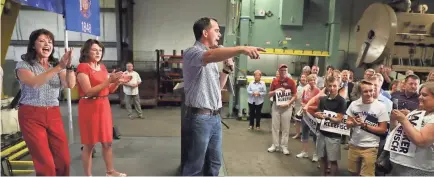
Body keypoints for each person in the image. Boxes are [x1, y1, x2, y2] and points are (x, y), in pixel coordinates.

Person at [181, 17, 265, 176]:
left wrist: (226, 70)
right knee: (195, 166)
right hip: (199, 118)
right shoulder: (192, 53)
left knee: (215, 163)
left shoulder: (212, 59)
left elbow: (217, 88)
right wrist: (242, 48)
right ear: (205, 33)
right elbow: (210, 55)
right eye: (217, 30)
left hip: (214, 118)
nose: (220, 35)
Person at [14, 29, 75, 176]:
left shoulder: (54, 65)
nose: (47, 44)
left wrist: (68, 67)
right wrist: (59, 67)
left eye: (50, 42)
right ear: (33, 45)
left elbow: (70, 84)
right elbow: (35, 83)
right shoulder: (23, 65)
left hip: (53, 113)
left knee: (64, 161)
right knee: (45, 163)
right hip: (31, 115)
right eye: (42, 41)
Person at [76, 39, 131, 176]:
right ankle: (88, 175)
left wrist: (118, 81)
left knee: (107, 142)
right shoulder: (83, 67)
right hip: (89, 107)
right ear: (87, 51)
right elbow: (88, 91)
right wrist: (109, 80)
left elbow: (109, 89)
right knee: (89, 144)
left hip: (103, 106)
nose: (98, 53)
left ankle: (110, 171)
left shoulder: (102, 68)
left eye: (100, 50)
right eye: (95, 50)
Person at [389, 82, 434, 175]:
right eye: (420, 94)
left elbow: (421, 141)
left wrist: (404, 120)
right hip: (399, 164)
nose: (420, 97)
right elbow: (397, 132)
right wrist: (394, 120)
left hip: (418, 168)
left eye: (424, 95)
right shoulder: (417, 112)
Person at [346, 80, 389, 176]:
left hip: (371, 146)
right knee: (353, 173)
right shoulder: (354, 104)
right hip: (354, 144)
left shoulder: (381, 107)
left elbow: (383, 129)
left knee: (367, 175)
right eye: (366, 91)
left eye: (371, 90)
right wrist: (353, 122)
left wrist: (365, 125)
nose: (369, 94)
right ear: (360, 92)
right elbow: (347, 123)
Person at [314, 76, 346, 176]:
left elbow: (339, 119)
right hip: (322, 132)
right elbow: (318, 111)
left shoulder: (341, 101)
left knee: (333, 160)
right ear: (326, 86)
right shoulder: (323, 100)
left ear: (339, 86)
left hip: (334, 135)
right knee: (322, 158)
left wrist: (326, 117)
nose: (332, 88)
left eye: (334, 86)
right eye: (330, 86)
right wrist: (317, 114)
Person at [267, 64, 297, 155]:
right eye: (281, 70)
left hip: (287, 107)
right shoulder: (275, 82)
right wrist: (276, 90)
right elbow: (269, 94)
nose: (283, 72)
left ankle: (284, 146)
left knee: (285, 128)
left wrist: (288, 103)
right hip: (276, 106)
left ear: (287, 72)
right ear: (279, 71)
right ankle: (275, 145)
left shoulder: (291, 82)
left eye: (285, 70)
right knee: (275, 127)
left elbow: (295, 95)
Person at [296, 74, 320, 161]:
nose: (312, 81)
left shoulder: (318, 91)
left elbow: (318, 106)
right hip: (305, 115)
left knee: (315, 136)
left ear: (316, 81)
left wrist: (307, 107)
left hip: (314, 116)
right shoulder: (305, 90)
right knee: (304, 133)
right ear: (308, 81)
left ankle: (316, 154)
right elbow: (302, 100)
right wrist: (303, 105)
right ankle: (304, 152)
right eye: (310, 80)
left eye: (314, 80)